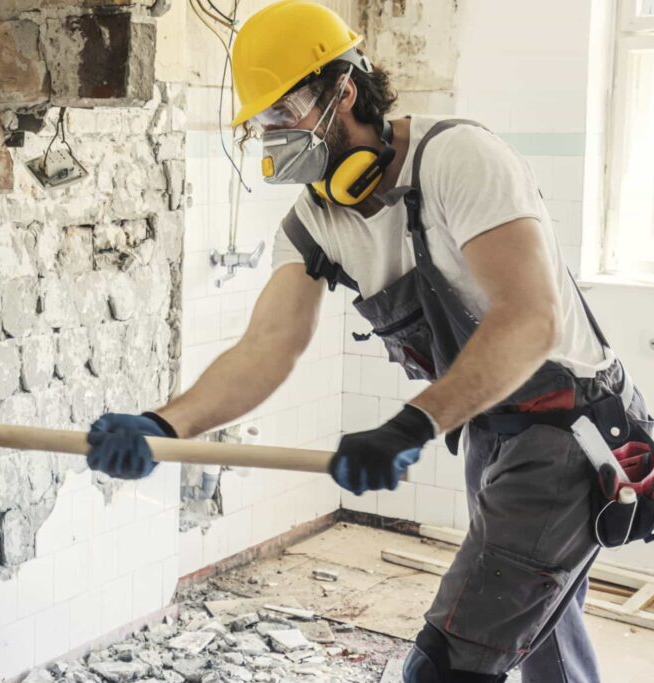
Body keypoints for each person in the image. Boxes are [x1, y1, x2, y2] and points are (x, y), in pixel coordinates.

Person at [84, 1, 653, 681]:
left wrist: (411, 424)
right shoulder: (316, 221)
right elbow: (265, 346)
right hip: (492, 435)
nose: (270, 133)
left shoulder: (457, 159)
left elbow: (531, 320)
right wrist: (163, 424)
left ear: (343, 90)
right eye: (259, 122)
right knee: (543, 634)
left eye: (283, 111)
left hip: (570, 435)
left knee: (446, 665)